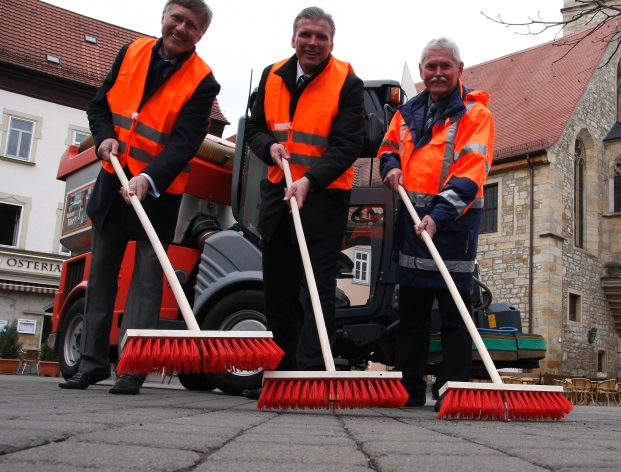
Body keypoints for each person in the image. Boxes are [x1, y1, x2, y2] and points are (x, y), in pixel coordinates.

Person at [59, 0, 220, 395]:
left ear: (201, 34)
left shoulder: (203, 81)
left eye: (191, 25)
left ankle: (132, 367)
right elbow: (100, 105)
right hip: (113, 180)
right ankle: (92, 364)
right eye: (176, 19)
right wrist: (103, 138)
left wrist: (149, 178)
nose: (181, 28)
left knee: (148, 279)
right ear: (164, 17)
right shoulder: (130, 52)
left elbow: (185, 143)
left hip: (159, 192)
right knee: (101, 276)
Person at [242, 6, 364, 396]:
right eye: (305, 35)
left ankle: (310, 375)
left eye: (321, 37)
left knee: (317, 289)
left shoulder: (347, 81)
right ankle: (279, 374)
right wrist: (269, 147)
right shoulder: (272, 75)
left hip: (325, 197)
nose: (312, 42)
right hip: (279, 194)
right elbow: (254, 129)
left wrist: (310, 179)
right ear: (293, 38)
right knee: (277, 289)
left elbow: (349, 144)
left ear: (332, 42)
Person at [378, 38, 495, 408]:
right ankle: (408, 389)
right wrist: (390, 165)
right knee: (410, 314)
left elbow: (469, 174)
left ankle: (453, 389)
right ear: (422, 70)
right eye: (431, 66)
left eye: (445, 66)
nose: (438, 72)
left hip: (453, 228)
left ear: (460, 70)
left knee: (454, 315)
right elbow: (387, 147)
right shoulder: (406, 112)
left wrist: (438, 216)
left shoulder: (476, 117)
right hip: (412, 227)